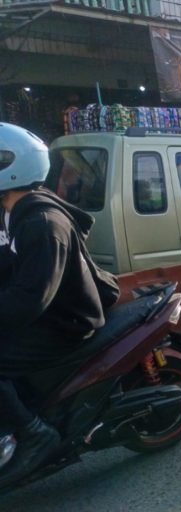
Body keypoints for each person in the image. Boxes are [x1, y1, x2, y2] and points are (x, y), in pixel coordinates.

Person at [0, 122, 117, 485]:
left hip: (64, 324)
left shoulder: (42, 224)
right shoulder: (14, 213)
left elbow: (31, 298)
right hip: (45, 313)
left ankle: (35, 432)